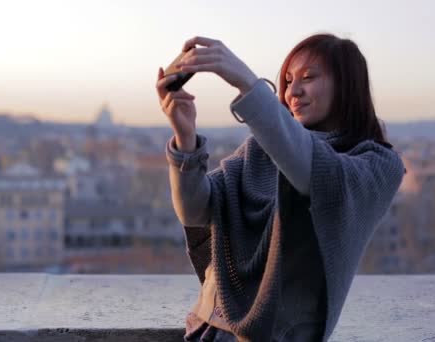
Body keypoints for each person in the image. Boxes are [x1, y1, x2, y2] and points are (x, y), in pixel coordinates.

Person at [156, 33, 406, 342]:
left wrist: (247, 83)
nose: (293, 92)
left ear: (347, 84)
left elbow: (314, 172)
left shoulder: (377, 165)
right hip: (206, 329)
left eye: (308, 78)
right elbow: (196, 211)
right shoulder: (260, 150)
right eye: (287, 81)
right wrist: (185, 138)